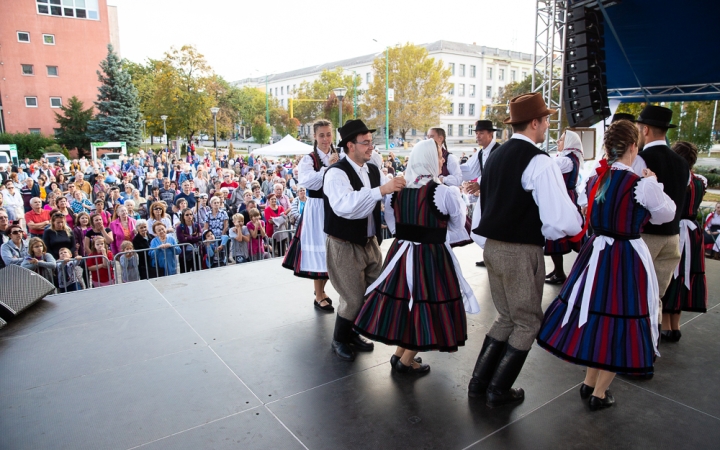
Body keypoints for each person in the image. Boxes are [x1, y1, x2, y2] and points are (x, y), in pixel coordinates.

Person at [537, 120, 676, 411]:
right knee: (621, 319)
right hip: (626, 256)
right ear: (634, 147)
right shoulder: (642, 184)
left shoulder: (596, 179)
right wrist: (653, 182)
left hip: (596, 253)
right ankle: (600, 393)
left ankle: (589, 382)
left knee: (596, 314)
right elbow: (666, 215)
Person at [468, 93, 583, 408]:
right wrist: (577, 226)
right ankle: (498, 389)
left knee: (507, 316)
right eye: (545, 119)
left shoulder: (496, 156)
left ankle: (479, 384)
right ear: (535, 122)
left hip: (492, 247)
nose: (547, 125)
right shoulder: (540, 161)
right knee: (528, 321)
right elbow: (560, 217)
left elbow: (483, 209)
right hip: (520, 251)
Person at [354, 139, 479, 374]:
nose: (442, 160)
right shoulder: (442, 192)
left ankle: (400, 354)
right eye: (440, 156)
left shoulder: (397, 190)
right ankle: (405, 361)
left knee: (406, 303)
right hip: (431, 256)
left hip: (401, 254)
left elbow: (392, 224)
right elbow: (457, 224)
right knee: (426, 303)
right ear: (430, 159)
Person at [324, 119, 405, 362]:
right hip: (343, 244)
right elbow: (345, 206)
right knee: (353, 297)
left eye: (371, 142)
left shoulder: (372, 170)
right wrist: (381, 191)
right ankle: (339, 339)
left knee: (375, 290)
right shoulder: (335, 173)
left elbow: (387, 198)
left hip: (370, 242)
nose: (371, 147)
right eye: (366, 143)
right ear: (350, 145)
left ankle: (354, 332)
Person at [631, 105, 690, 361]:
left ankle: (636, 350)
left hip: (647, 237)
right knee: (656, 296)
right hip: (672, 237)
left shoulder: (641, 159)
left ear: (644, 129)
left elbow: (633, 197)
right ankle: (649, 349)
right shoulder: (682, 163)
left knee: (636, 295)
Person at [283, 119, 339, 311]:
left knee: (331, 250)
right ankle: (318, 294)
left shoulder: (338, 155)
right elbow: (309, 183)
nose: (325, 139)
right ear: (314, 136)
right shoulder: (309, 159)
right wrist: (329, 168)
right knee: (319, 249)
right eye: (321, 135)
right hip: (316, 207)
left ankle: (321, 292)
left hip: (334, 206)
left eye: (328, 134)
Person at [661, 141, 708, 342]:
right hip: (693, 232)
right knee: (684, 275)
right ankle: (675, 325)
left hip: (677, 230)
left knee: (669, 272)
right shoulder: (699, 181)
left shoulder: (679, 181)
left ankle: (665, 324)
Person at [544, 130, 585, 284]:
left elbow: (547, 168)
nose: (558, 143)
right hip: (564, 198)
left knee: (556, 234)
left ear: (568, 143)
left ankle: (563, 272)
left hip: (563, 199)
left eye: (561, 140)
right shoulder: (568, 159)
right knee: (558, 234)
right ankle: (558, 270)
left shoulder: (566, 161)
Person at [460, 120, 501, 267]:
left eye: (481, 133)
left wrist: (480, 183)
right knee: (481, 226)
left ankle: (493, 257)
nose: (478, 136)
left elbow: (497, 174)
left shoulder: (498, 151)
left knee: (489, 226)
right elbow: (469, 170)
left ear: (491, 134)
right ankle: (489, 256)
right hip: (487, 195)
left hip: (497, 197)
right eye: (477, 133)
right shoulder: (481, 153)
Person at [176, 207, 202, 272]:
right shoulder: (179, 227)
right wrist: (194, 238)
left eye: (191, 214)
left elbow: (200, 237)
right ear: (183, 216)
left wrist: (188, 238)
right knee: (185, 272)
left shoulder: (196, 225)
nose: (189, 216)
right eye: (187, 215)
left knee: (197, 272)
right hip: (185, 253)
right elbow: (182, 240)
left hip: (196, 252)